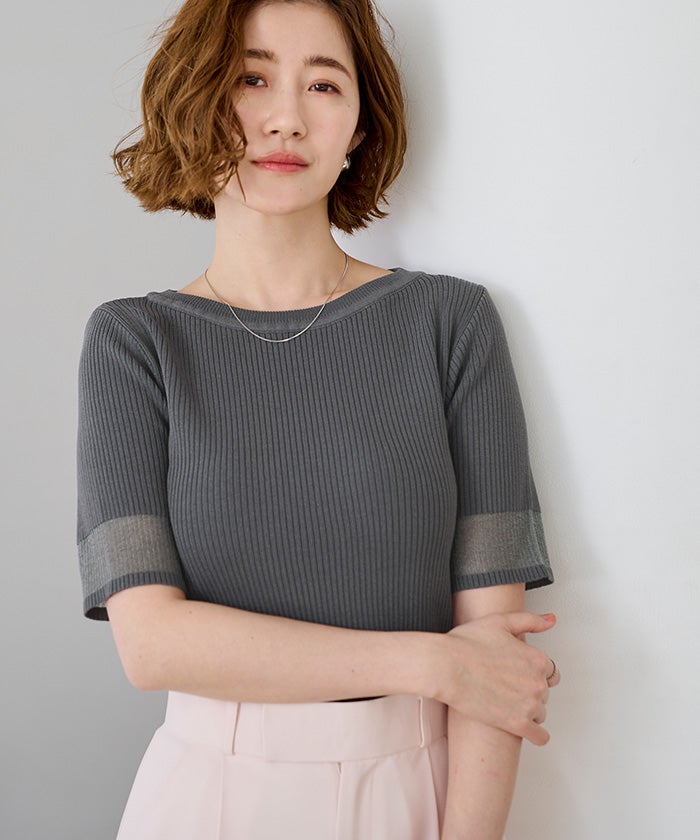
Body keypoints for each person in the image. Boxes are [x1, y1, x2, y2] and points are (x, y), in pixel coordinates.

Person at [77, 1, 558, 838]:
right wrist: (432, 662)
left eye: (325, 85)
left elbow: (496, 654)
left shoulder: (449, 323)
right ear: (195, 99)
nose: (287, 118)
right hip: (207, 795)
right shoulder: (134, 342)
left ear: (360, 127)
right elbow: (151, 645)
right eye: (251, 78)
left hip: (415, 788)